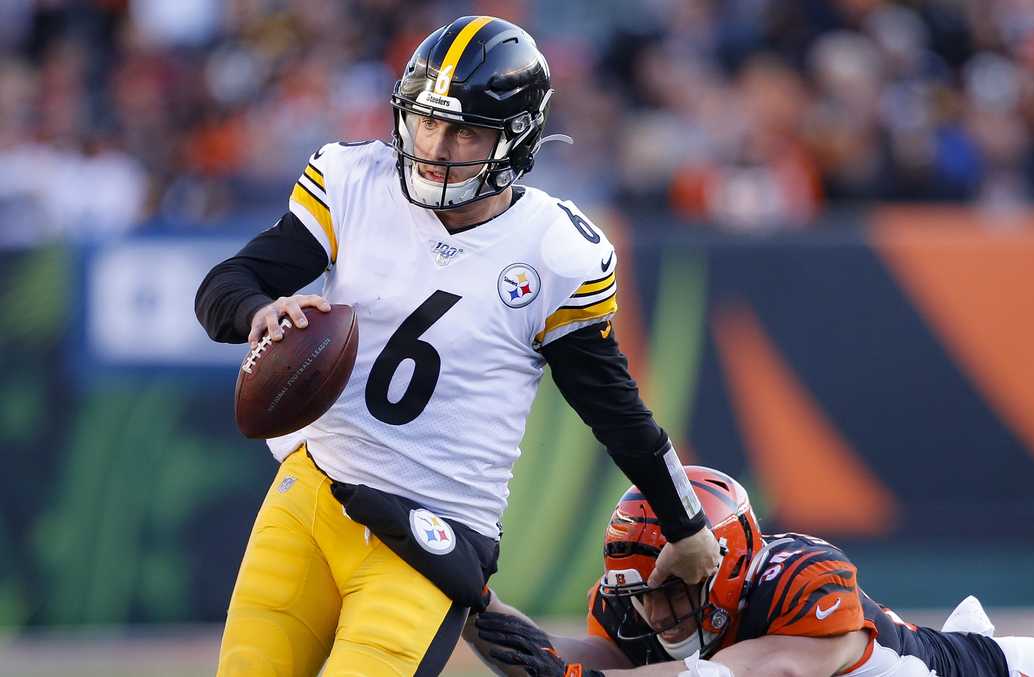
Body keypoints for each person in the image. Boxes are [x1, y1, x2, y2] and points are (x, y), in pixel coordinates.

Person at [194, 16, 720, 676]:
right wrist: (262, 311)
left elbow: (613, 409)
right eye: (427, 121)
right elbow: (224, 287)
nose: (438, 144)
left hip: (429, 531)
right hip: (311, 491)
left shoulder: (556, 251)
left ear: (517, 136)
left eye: (466, 128)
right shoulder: (354, 180)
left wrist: (686, 522)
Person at [469, 466, 1034, 677]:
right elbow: (554, 660)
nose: (655, 612)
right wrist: (468, 600)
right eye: (642, 595)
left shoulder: (801, 574)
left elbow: (748, 673)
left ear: (727, 566)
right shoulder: (630, 604)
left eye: (673, 588)